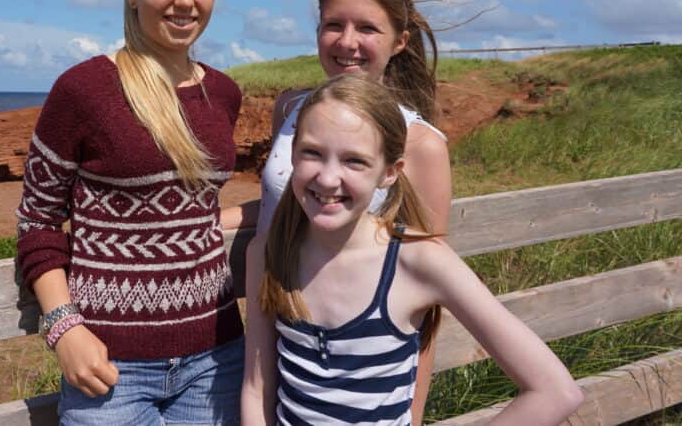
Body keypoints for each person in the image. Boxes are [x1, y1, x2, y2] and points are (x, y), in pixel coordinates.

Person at [240, 77, 583, 425]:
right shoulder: (270, 252)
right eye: (312, 152)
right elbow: (257, 387)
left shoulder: (417, 260)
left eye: (354, 161)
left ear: (389, 173)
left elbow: (555, 391)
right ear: (292, 155)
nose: (328, 179)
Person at [16, 0, 245, 425]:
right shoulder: (84, 90)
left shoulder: (224, 94)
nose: (185, 0)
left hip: (218, 357)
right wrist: (63, 328)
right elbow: (38, 222)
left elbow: (194, 209)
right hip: (108, 368)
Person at [221, 0, 451, 422]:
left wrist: (413, 415)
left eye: (367, 27)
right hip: (279, 332)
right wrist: (213, 220)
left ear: (399, 41)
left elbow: (427, 300)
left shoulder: (420, 144)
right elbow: (287, 199)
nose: (347, 42)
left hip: (355, 364)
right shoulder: (292, 108)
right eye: (333, 25)